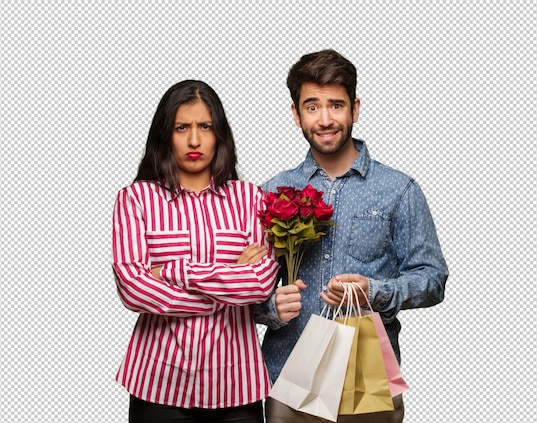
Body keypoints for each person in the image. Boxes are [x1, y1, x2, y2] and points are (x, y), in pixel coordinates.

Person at [254, 50, 449, 422]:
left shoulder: (398, 190)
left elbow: (432, 279)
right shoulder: (271, 192)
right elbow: (245, 288)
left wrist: (374, 292)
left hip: (366, 383)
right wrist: (270, 308)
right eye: (312, 107)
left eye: (336, 105)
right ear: (295, 114)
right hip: (288, 379)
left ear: (355, 109)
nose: (325, 119)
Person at [112, 80, 279, 423]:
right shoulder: (135, 200)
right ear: (165, 135)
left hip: (237, 384)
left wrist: (174, 272)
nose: (194, 140)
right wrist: (227, 291)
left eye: (205, 126)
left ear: (219, 134)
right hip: (158, 383)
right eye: (181, 127)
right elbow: (133, 289)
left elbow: (261, 283)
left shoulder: (251, 200)